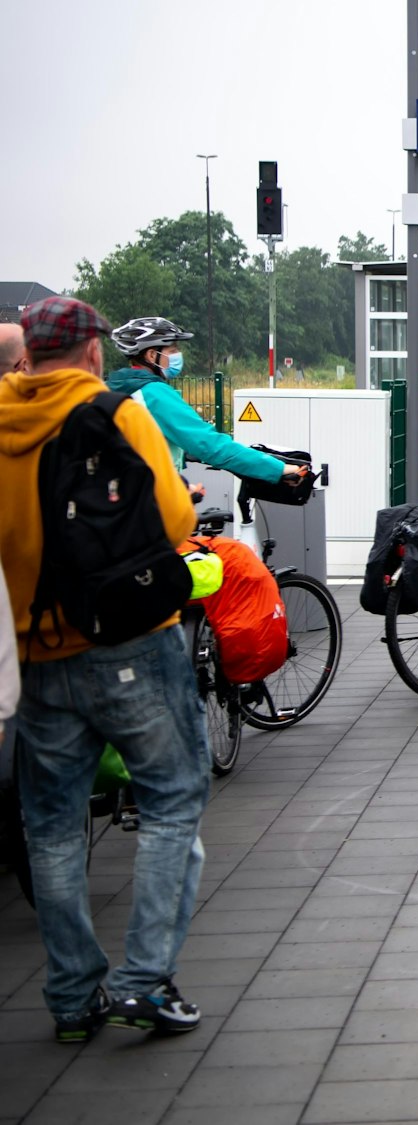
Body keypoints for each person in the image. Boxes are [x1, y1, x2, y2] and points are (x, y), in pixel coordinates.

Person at [0, 297, 203, 1043]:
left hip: (35, 654)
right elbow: (176, 519)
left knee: (50, 828)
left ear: (29, 354)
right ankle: (143, 980)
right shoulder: (116, 412)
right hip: (128, 642)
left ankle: (71, 998)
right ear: (90, 350)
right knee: (174, 799)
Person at [105, 318, 303, 488]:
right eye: (172, 350)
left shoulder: (114, 389)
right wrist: (278, 468)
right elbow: (210, 445)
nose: (176, 356)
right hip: (148, 510)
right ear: (151, 356)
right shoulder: (154, 394)